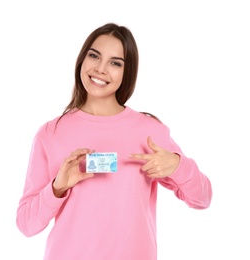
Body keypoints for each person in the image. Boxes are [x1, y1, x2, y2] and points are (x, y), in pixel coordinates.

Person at [16, 23, 212, 260]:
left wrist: (178, 166)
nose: (100, 69)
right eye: (94, 56)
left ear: (127, 73)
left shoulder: (150, 132)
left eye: (115, 63)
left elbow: (203, 199)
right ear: (82, 60)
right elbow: (26, 225)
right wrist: (57, 187)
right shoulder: (50, 134)